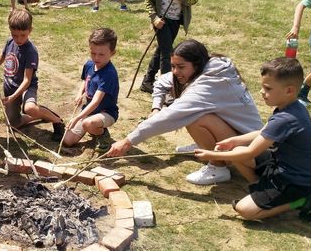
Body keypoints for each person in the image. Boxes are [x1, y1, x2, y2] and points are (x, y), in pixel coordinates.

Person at [108, 40, 263, 185]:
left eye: (181, 67)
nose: (175, 72)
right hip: (240, 136)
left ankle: (218, 167)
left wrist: (127, 141)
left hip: (254, 149)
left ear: (196, 64)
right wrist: (156, 108)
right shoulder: (211, 67)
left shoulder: (208, 86)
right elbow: (162, 82)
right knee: (196, 115)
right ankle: (204, 143)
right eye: (173, 66)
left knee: (195, 118)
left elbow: (169, 117)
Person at [194, 57, 311, 221]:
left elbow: (250, 153)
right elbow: (264, 131)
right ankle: (260, 189)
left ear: (289, 90)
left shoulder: (287, 118)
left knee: (244, 210)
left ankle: (302, 200)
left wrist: (211, 155)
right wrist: (235, 141)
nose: (262, 91)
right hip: (283, 165)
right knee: (236, 150)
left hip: (297, 180)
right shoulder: (290, 106)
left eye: (268, 88)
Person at [0, 9, 65, 141]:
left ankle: (57, 121)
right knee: (13, 124)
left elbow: (27, 80)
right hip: (10, 88)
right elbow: (2, 54)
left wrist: (13, 97)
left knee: (29, 108)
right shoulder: (9, 42)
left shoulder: (31, 51)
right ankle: (39, 113)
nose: (18, 39)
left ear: (30, 30)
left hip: (26, 88)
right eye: (14, 35)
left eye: (22, 35)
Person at [139, 0, 200, 94]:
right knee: (167, 54)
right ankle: (167, 88)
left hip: (176, 21)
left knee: (161, 50)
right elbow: (149, 1)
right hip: (162, 21)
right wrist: (154, 18)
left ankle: (148, 80)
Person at [62, 28, 120, 153]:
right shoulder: (89, 64)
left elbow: (96, 102)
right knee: (67, 140)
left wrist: (77, 118)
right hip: (88, 111)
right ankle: (93, 127)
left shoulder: (109, 74)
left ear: (112, 53)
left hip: (106, 113)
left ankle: (102, 135)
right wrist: (79, 94)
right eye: (93, 53)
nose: (96, 57)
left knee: (87, 123)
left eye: (101, 54)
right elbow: (85, 80)